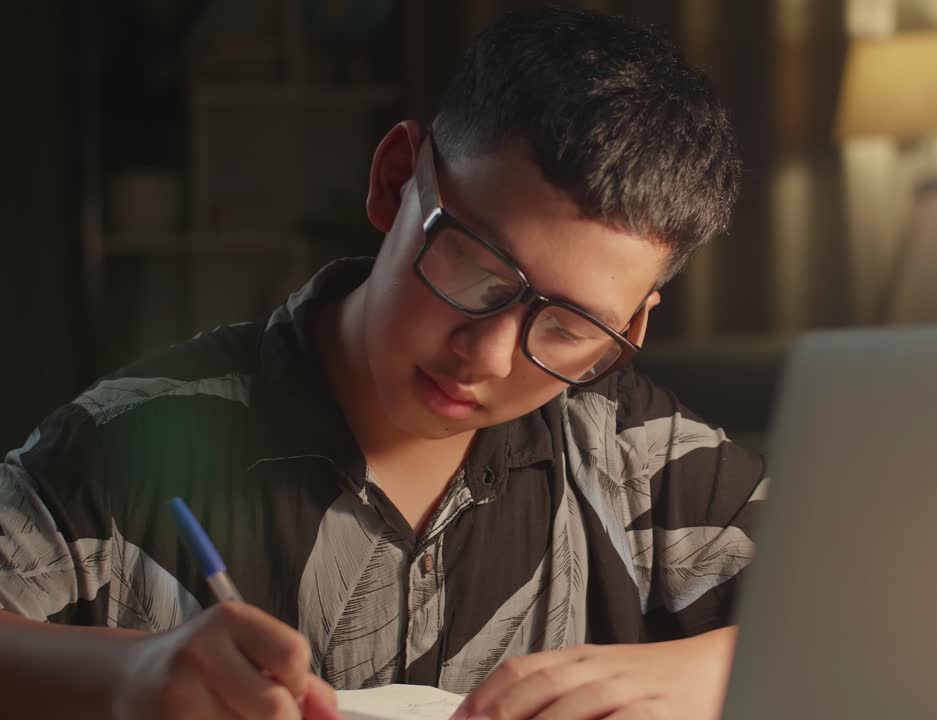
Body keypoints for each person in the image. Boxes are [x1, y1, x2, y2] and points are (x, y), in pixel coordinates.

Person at [0, 5, 765, 719]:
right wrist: (124, 674)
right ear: (397, 179)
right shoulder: (133, 439)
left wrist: (716, 672)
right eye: (475, 270)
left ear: (629, 325)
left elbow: (874, 614)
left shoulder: (647, 461)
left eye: (570, 328)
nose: (487, 357)